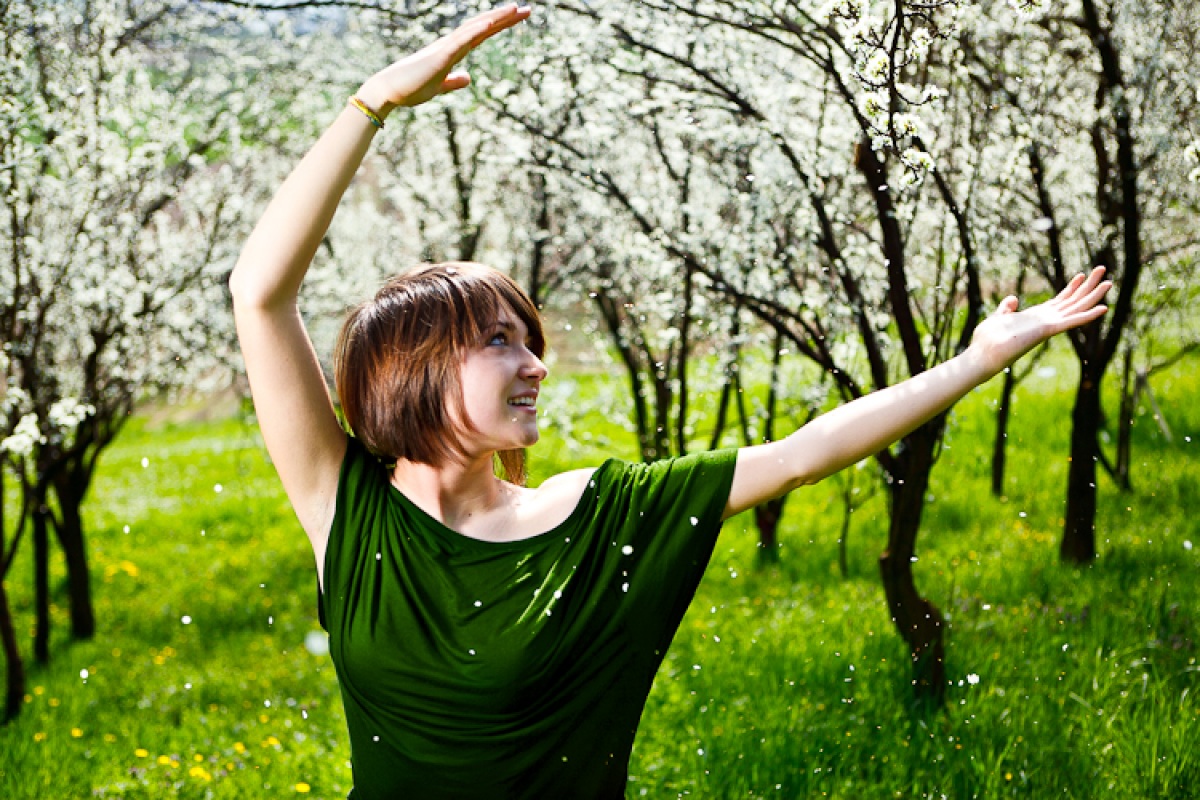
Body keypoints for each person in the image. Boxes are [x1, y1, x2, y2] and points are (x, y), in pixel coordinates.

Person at [229, 4, 1111, 798]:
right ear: (410, 367)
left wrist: (976, 359)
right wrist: (369, 104)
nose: (534, 363)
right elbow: (259, 293)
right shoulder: (346, 512)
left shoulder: (600, 514)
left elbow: (808, 450)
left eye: (532, 338)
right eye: (499, 339)